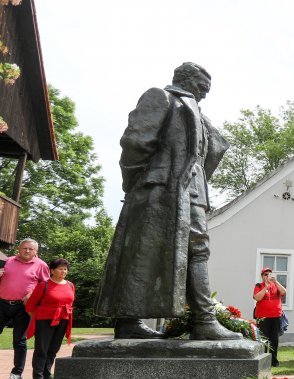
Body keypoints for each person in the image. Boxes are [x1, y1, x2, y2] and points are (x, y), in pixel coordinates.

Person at [95, 62, 240, 341]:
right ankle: (132, 320)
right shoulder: (161, 97)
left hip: (192, 188)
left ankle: (203, 320)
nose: (205, 93)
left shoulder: (198, 112)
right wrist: (135, 182)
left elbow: (209, 151)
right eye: (202, 86)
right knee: (141, 250)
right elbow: (136, 142)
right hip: (160, 186)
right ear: (185, 79)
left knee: (197, 248)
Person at [0, 239, 50, 379]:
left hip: (24, 307)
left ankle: (16, 374)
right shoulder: (7, 261)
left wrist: (33, 293)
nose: (27, 251)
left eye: (30, 249)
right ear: (19, 249)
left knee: (19, 341)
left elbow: (46, 286)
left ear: (36, 252)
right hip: (1, 303)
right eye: (24, 248)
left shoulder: (41, 265)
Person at [25, 258, 75, 379]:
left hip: (63, 320)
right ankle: (38, 377)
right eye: (60, 268)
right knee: (42, 349)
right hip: (44, 321)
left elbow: (70, 302)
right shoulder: (44, 285)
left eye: (65, 269)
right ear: (52, 270)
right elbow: (30, 306)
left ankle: (47, 374)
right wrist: (40, 316)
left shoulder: (70, 285)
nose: (63, 271)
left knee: (53, 349)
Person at [253, 268, 286, 368]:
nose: (267, 276)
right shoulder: (259, 286)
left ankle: (273, 361)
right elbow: (257, 297)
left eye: (269, 274)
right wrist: (265, 288)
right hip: (263, 317)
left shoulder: (276, 285)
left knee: (274, 340)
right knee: (263, 340)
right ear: (262, 276)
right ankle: (262, 360)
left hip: (276, 316)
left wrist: (276, 282)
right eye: (265, 274)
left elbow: (284, 292)